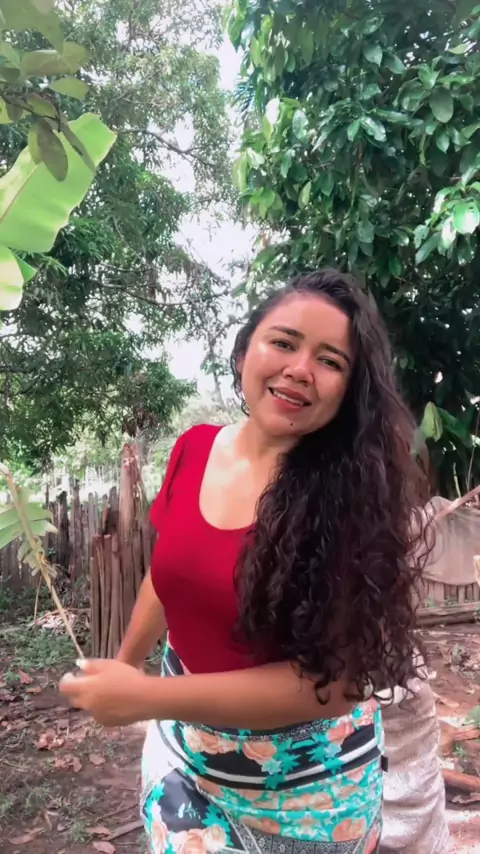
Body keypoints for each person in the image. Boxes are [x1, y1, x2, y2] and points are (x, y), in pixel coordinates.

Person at [60, 269, 438, 854]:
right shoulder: (194, 447)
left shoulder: (351, 500)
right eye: (284, 342)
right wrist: (126, 665)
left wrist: (145, 698)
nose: (300, 369)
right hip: (185, 758)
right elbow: (169, 574)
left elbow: (331, 687)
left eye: (330, 361)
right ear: (244, 352)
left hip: (308, 796)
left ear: (348, 390)